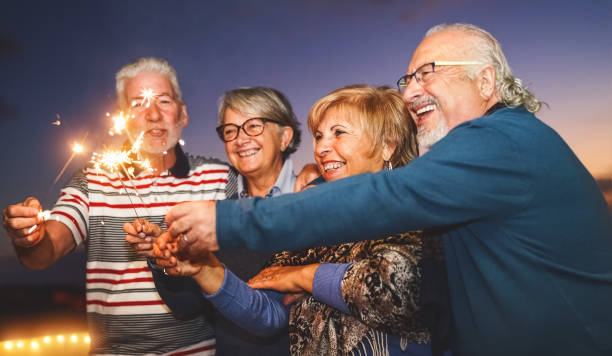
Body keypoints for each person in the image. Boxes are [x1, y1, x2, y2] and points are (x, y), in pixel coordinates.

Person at [162, 23, 612, 356]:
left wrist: (228, 221)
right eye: (408, 78)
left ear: (486, 81)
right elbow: (269, 311)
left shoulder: (499, 143)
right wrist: (205, 269)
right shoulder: (480, 163)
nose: (412, 89)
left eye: (427, 72)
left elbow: (398, 269)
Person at [155, 85, 449, 355]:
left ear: (388, 145)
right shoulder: (308, 222)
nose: (321, 148)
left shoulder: (417, 208)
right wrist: (205, 269)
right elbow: (269, 316)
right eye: (319, 136)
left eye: (339, 133)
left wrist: (304, 275)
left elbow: (397, 288)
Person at [1, 57, 236, 355]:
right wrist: (29, 235)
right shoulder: (93, 179)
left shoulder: (218, 177)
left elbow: (261, 233)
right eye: (138, 103)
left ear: (183, 113)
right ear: (123, 117)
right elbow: (42, 254)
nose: (153, 114)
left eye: (163, 101)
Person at [148, 86, 301, 355]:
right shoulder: (217, 215)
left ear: (284, 137)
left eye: (254, 125)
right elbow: (188, 306)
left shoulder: (312, 200)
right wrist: (163, 258)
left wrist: (206, 268)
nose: (240, 139)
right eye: (230, 130)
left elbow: (276, 317)